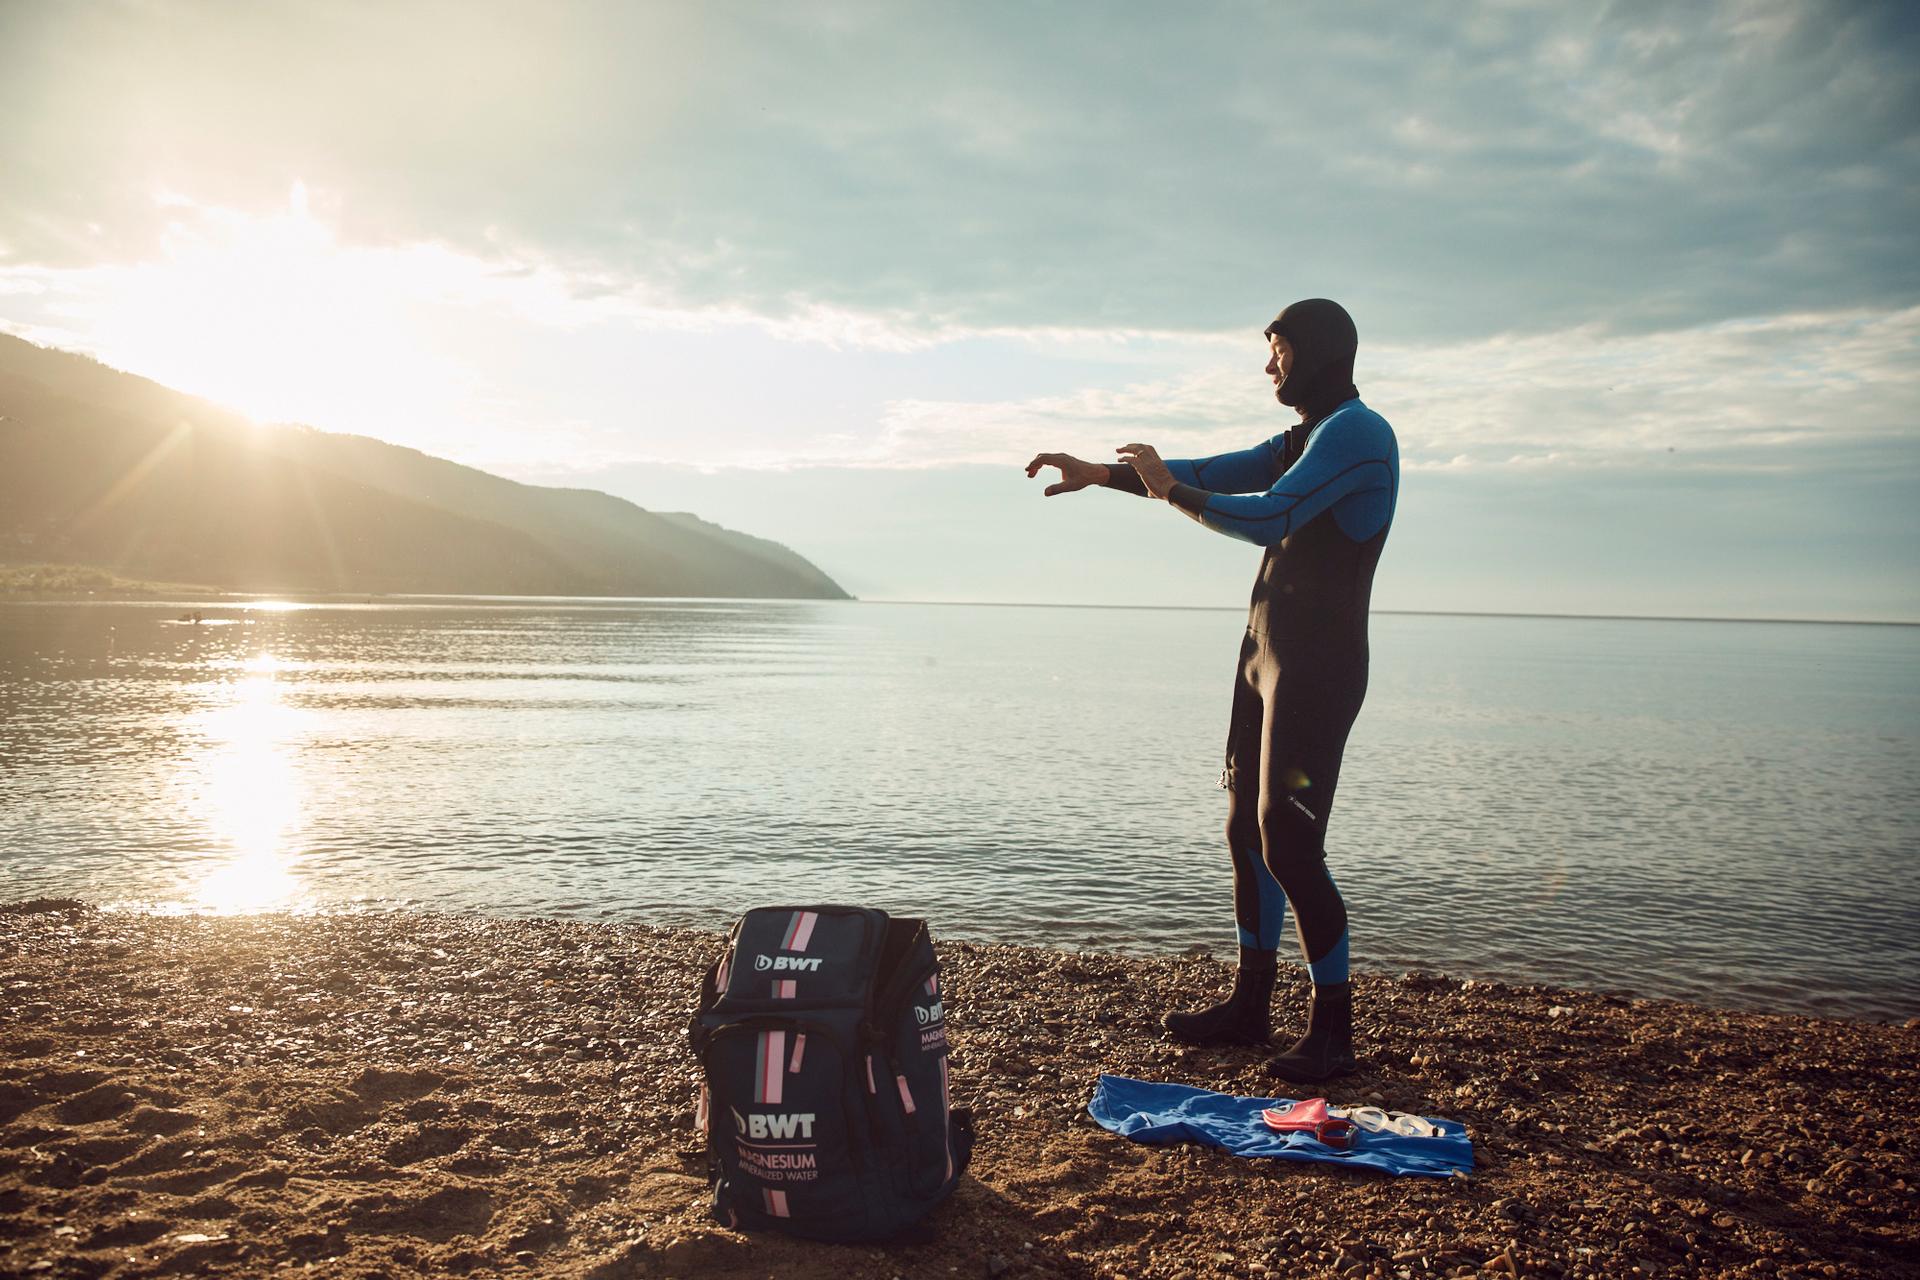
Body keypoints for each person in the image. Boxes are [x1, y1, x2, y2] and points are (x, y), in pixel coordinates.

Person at [1024, 299, 1398, 1082]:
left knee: (1291, 845)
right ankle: (1250, 1006)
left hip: (1318, 664)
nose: (1270, 367)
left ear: (1321, 353)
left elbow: (1268, 517)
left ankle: (1334, 1031)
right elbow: (1212, 473)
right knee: (1244, 832)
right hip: (1263, 652)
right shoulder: (1306, 438)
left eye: (1280, 351)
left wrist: (1168, 491)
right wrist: (1109, 477)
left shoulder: (1360, 435)